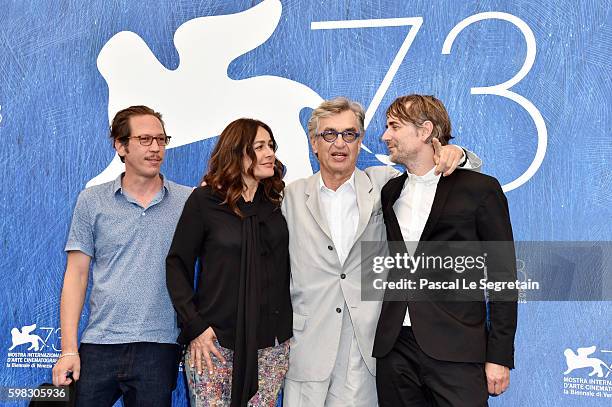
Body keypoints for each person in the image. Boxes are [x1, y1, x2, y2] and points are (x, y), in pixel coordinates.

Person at [281, 97, 481, 406]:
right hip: (309, 345)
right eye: (329, 134)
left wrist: (459, 154)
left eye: (350, 134)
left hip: (368, 346)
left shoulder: (386, 184)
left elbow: (431, 171)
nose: (340, 144)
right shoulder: (289, 195)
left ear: (360, 141)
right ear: (313, 142)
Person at [373, 94, 517, 406]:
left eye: (394, 126)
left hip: (457, 350)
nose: (385, 136)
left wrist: (499, 355)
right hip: (394, 347)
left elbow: (503, 276)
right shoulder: (389, 192)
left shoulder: (480, 189)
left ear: (424, 131)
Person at [52, 105, 192, 406]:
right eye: (144, 139)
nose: (156, 148)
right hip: (99, 343)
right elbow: (76, 275)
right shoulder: (92, 201)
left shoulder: (188, 201)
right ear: (120, 145)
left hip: (159, 346)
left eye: (161, 139)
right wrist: (68, 350)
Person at [166, 118, 292, 407]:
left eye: (271, 145)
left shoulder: (276, 203)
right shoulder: (205, 201)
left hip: (270, 345)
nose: (270, 153)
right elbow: (177, 265)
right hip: (214, 343)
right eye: (259, 146)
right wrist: (195, 326)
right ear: (237, 152)